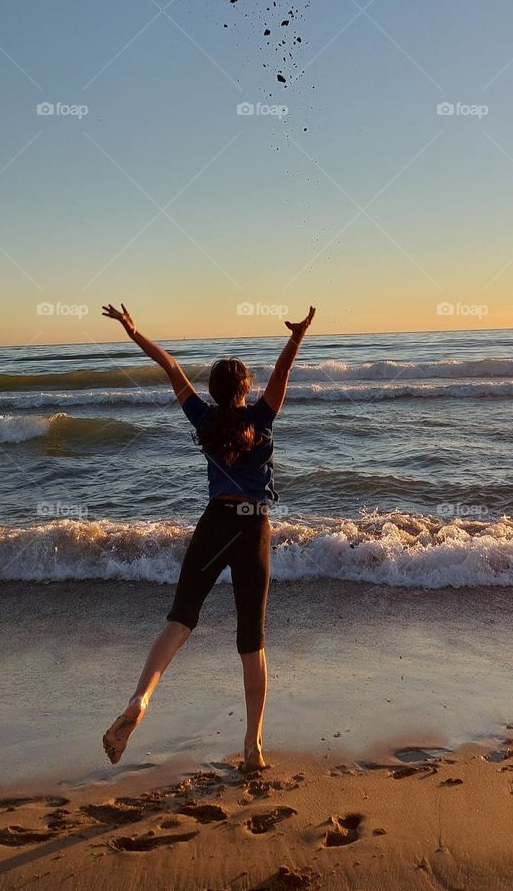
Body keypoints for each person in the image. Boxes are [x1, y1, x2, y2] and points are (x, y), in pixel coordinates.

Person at [100, 301, 316, 769]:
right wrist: (296, 336)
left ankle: (139, 701)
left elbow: (172, 366)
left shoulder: (203, 418)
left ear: (216, 392)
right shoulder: (261, 420)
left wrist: (134, 331)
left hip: (214, 523)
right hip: (253, 527)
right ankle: (253, 747)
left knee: (180, 621)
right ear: (246, 389)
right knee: (252, 641)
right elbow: (283, 370)